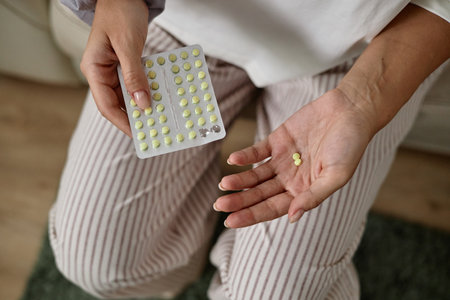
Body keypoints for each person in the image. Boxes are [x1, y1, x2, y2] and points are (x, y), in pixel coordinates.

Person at [50, 0, 450, 299]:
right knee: (95, 263)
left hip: (364, 52)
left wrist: (363, 102)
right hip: (173, 18)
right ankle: (187, 238)